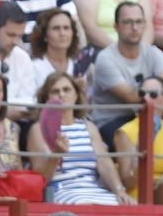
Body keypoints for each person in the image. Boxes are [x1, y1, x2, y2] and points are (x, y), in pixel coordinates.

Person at [28, 71, 131, 204]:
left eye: (66, 90)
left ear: (76, 95)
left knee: (125, 207)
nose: (61, 94)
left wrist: (119, 191)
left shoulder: (89, 127)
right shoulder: (39, 129)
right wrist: (57, 155)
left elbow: (104, 163)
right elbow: (42, 178)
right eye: (55, 91)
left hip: (93, 190)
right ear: (46, 98)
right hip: (61, 191)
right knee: (87, 205)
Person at [89, 2, 163, 140]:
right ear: (116, 27)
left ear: (145, 25)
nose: (134, 28)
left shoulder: (154, 53)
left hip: (147, 115)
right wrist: (159, 92)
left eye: (139, 22)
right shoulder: (105, 58)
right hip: (111, 120)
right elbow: (131, 97)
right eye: (128, 22)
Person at [114, 74, 163, 201]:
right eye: (142, 93)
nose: (146, 98)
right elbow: (127, 182)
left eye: (153, 94)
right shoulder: (126, 131)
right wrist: (138, 164)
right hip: (137, 194)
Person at [28, 6, 90, 87]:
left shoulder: (78, 65)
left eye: (66, 28)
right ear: (44, 35)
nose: (62, 33)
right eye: (56, 28)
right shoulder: (34, 67)